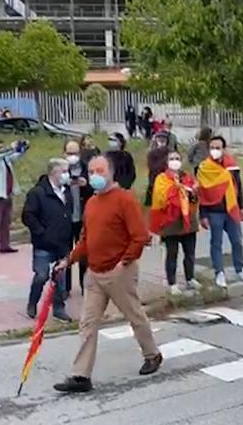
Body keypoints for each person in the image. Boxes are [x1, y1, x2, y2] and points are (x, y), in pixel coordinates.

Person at [52, 156, 162, 393]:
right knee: (87, 323)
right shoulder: (91, 203)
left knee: (134, 315)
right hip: (95, 273)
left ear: (111, 173)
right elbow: (86, 240)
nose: (94, 175)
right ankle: (81, 375)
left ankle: (152, 354)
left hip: (119, 271)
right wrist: (68, 261)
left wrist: (123, 264)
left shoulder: (124, 199)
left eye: (99, 170)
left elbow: (140, 236)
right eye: (91, 171)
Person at [21, 159, 74, 322]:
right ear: (53, 172)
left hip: (63, 242)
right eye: (63, 171)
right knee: (41, 275)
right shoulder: (37, 193)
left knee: (60, 278)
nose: (67, 175)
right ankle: (32, 302)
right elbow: (28, 216)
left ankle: (59, 308)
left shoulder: (66, 191)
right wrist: (41, 232)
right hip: (44, 243)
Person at [198, 136, 243, 288]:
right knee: (216, 243)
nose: (215, 150)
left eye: (218, 147)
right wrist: (202, 215)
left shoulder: (232, 166)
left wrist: (241, 207)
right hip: (214, 211)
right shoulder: (204, 167)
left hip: (231, 209)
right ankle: (219, 273)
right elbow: (201, 193)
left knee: (237, 241)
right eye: (212, 147)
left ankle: (240, 269)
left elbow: (238, 187)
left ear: (224, 149)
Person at [150, 150, 201, 295]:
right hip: (170, 221)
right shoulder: (161, 178)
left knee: (189, 253)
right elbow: (161, 197)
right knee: (172, 254)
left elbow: (194, 197)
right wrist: (176, 189)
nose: (175, 161)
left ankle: (190, 278)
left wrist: (193, 191)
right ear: (167, 162)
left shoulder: (187, 177)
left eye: (177, 158)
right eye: (172, 158)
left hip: (188, 221)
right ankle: (172, 282)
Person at [0, 139, 28, 256]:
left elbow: (17, 156)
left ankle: (5, 244)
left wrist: (23, 147)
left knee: (6, 221)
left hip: (7, 193)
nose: (1, 149)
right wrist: (10, 148)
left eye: (2, 147)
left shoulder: (5, 159)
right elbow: (0, 155)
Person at [63, 140, 93, 296]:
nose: (72, 156)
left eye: (75, 153)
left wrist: (86, 185)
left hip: (83, 218)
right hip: (66, 219)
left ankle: (84, 284)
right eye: (69, 153)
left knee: (83, 254)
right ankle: (65, 287)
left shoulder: (86, 168)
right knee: (66, 254)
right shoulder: (60, 169)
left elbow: (94, 189)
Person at [145, 131, 172, 207]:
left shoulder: (170, 152)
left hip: (168, 178)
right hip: (155, 177)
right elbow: (152, 167)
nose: (162, 141)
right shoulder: (152, 153)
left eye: (164, 139)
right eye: (159, 139)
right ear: (156, 141)